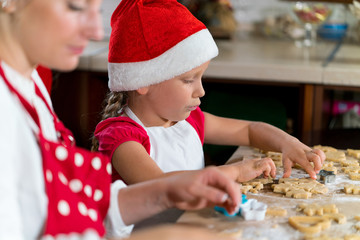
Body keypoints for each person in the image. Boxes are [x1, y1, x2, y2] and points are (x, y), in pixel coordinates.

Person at [0, 0, 242, 239]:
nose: (96, 31)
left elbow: (63, 207)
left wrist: (168, 191)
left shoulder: (29, 84)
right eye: (75, 6)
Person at [92, 0, 325, 187]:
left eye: (200, 77)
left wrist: (289, 143)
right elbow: (161, 188)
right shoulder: (122, 138)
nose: (201, 90)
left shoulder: (187, 121)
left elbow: (249, 130)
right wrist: (233, 172)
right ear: (144, 82)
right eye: (188, 80)